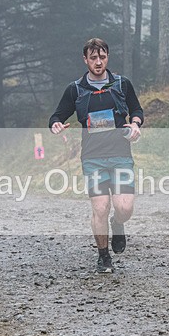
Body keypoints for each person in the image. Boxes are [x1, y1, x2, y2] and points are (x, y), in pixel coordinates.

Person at [49, 38, 144, 273]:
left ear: (107, 57)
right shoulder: (76, 89)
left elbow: (137, 110)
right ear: (86, 60)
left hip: (121, 155)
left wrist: (135, 124)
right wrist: (56, 125)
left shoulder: (122, 84)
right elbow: (56, 116)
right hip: (93, 159)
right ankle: (103, 256)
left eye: (102, 57)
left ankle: (118, 223)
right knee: (100, 208)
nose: (98, 62)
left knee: (125, 208)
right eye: (93, 58)